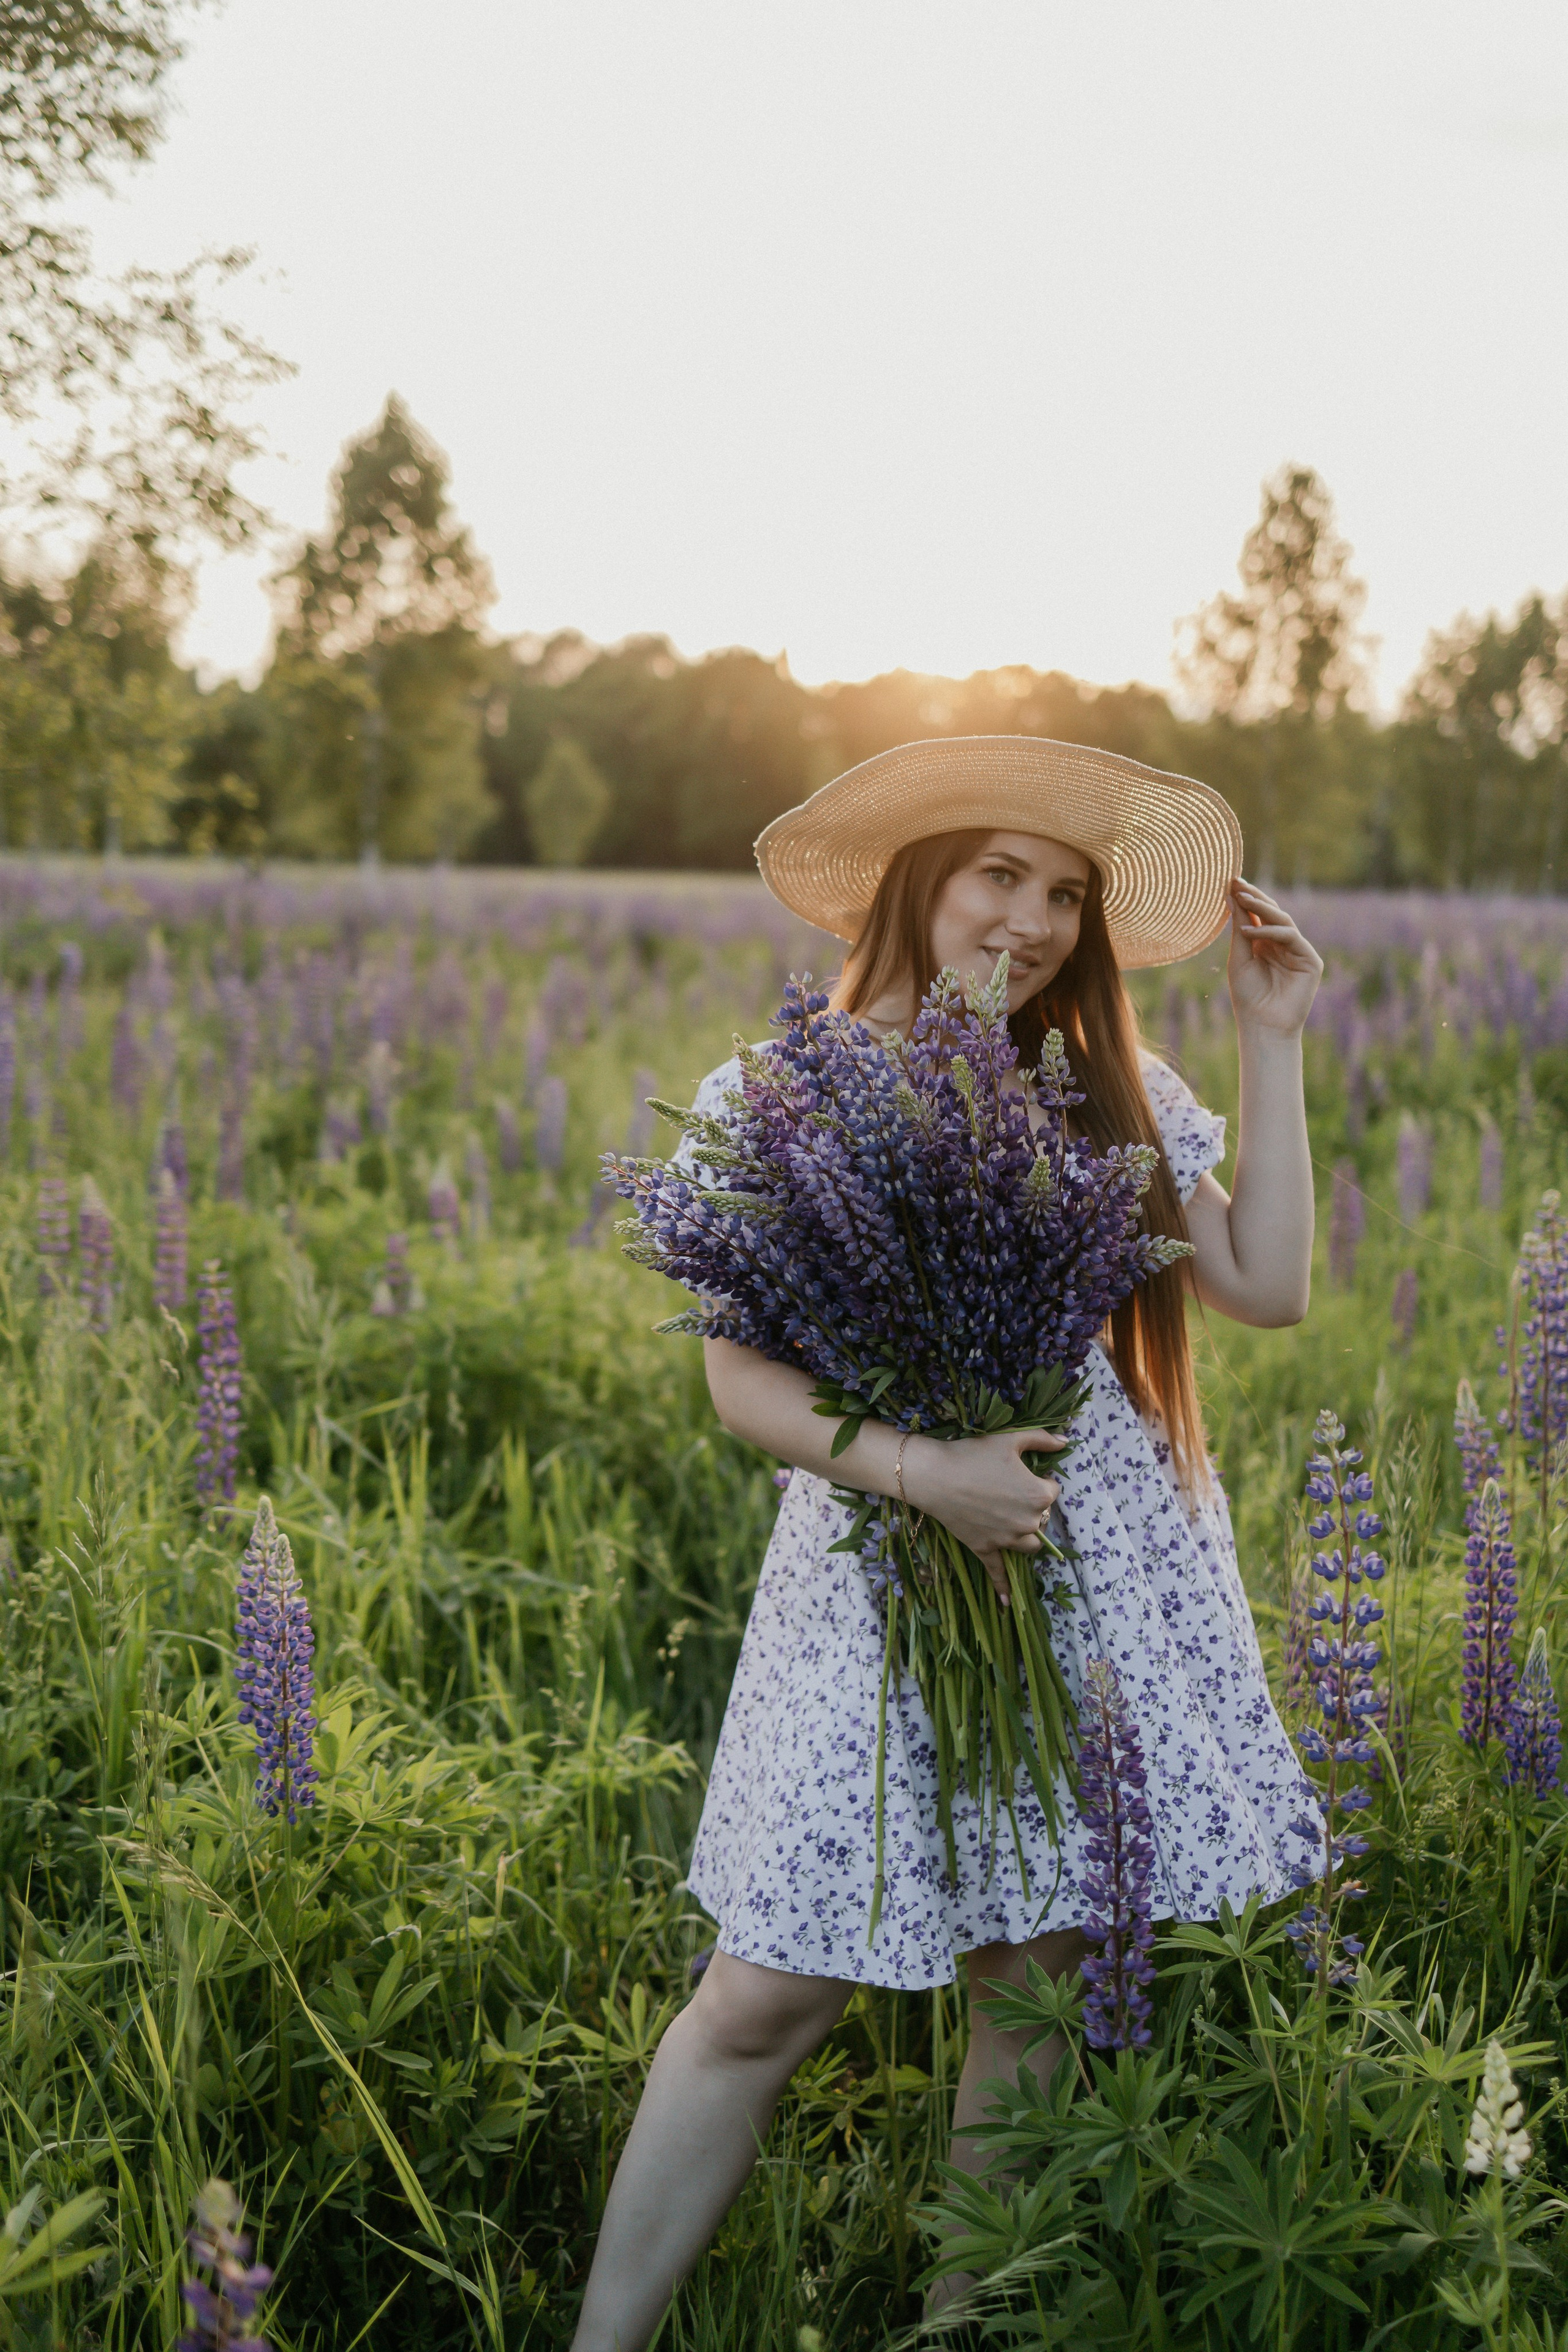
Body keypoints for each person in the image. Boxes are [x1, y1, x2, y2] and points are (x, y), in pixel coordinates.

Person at [571, 736, 1325, 2351]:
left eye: (1066, 893)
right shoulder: (777, 1094)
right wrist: (931, 1472)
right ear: (920, 879)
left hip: (1090, 1554)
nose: (1036, 920)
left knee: (1031, 1984)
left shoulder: (1116, 1088)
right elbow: (740, 1382)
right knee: (764, 1994)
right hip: (876, 1572)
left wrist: (1274, 1040)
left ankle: (955, 2330)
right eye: (1002, 872)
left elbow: (1269, 1285)